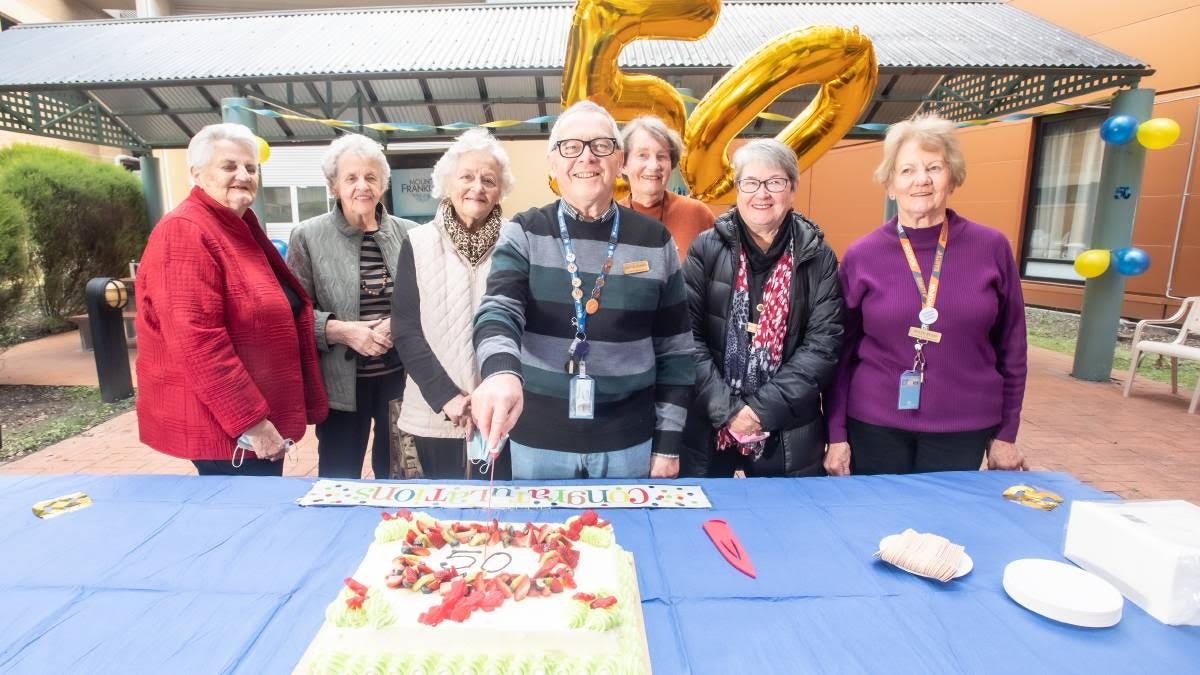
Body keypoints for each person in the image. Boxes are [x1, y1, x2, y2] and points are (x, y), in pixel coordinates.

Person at [470, 101, 695, 480]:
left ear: (619, 159)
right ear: (553, 163)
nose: (586, 157)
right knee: (542, 540)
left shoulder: (656, 241)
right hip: (539, 443)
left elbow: (676, 350)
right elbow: (498, 311)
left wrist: (668, 444)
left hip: (629, 445)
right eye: (571, 147)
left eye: (601, 146)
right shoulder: (524, 231)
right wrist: (500, 374)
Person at [824, 114, 1028, 476]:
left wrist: (1006, 434)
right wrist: (836, 435)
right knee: (875, 524)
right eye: (907, 170)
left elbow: (1012, 349)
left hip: (964, 426)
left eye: (934, 167)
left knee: (946, 530)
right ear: (890, 184)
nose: (922, 180)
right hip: (874, 424)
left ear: (953, 177)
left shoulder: (991, 247)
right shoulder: (862, 255)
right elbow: (839, 354)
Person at [135, 123, 327, 476]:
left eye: (251, 168)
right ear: (196, 173)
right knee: (249, 523)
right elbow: (197, 342)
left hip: (249, 424)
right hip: (230, 432)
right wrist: (252, 422)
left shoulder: (233, 226)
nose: (243, 175)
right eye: (229, 166)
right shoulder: (185, 231)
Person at [681, 139, 844, 477]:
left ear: (793, 188)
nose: (762, 194)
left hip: (789, 434)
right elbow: (686, 338)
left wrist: (758, 411)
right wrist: (728, 410)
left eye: (775, 183)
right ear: (737, 189)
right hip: (710, 427)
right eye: (751, 183)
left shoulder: (819, 256)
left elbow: (823, 347)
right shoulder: (706, 249)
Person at [287, 133, 417, 479]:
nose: (363, 186)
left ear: (383, 184)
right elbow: (294, 312)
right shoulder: (307, 236)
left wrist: (397, 323)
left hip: (401, 380)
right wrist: (340, 330)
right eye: (351, 178)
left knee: (399, 473)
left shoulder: (411, 234)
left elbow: (428, 300)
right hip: (341, 386)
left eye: (371, 177)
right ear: (333, 186)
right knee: (338, 476)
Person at [390, 129, 515, 479]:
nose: (477, 187)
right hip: (438, 412)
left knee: (500, 512)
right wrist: (448, 397)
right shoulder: (417, 242)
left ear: (500, 189)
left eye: (488, 180)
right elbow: (405, 328)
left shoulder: (516, 240)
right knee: (446, 518)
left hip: (501, 411)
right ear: (447, 184)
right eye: (467, 177)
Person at [618, 115, 715, 259]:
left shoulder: (698, 215)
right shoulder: (609, 221)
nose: (654, 165)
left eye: (661, 156)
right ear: (623, 164)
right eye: (643, 155)